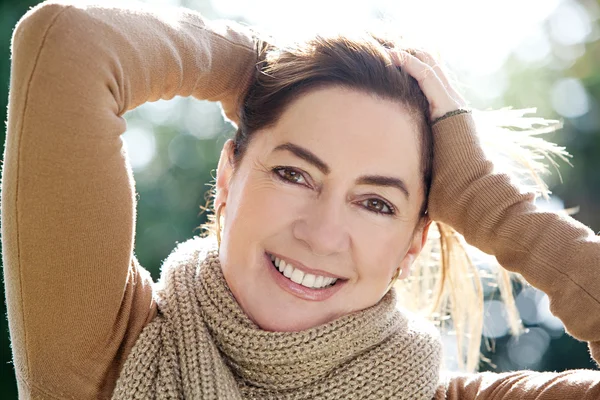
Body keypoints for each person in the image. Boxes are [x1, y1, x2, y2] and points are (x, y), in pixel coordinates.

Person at [2, 0, 599, 399]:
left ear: (412, 246)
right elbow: (68, 43)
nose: (320, 234)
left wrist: (484, 200)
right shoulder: (107, 351)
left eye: (376, 204)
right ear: (229, 177)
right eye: (293, 174)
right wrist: (261, 68)